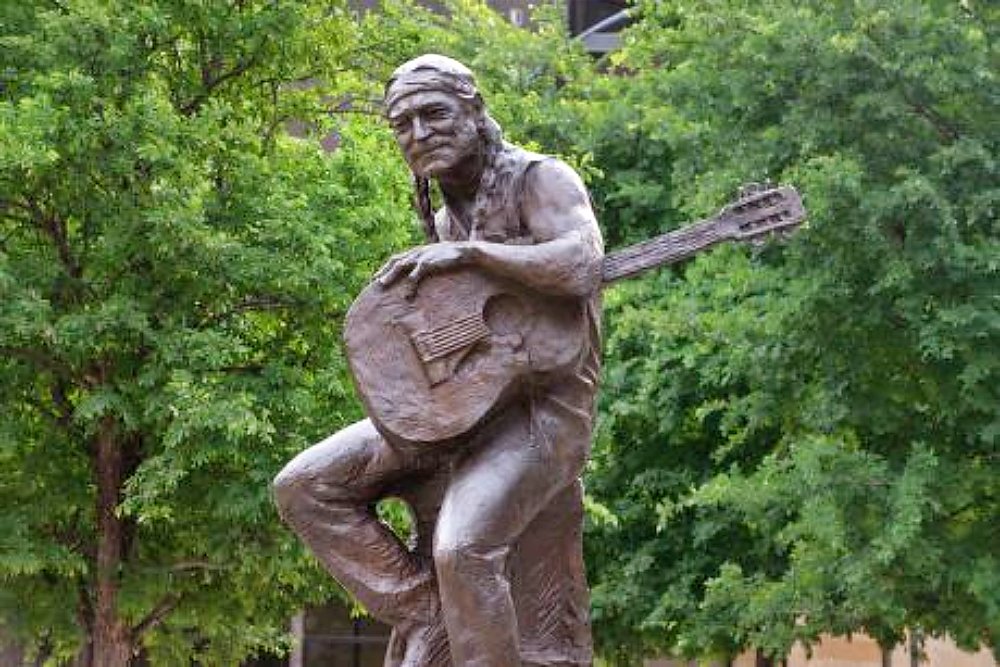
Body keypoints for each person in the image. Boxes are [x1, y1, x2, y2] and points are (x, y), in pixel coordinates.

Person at [273, 54, 603, 667]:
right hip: (461, 411)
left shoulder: (541, 180)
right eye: (403, 124)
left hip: (542, 419)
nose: (419, 134)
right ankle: (429, 611)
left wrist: (473, 257)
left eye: (434, 114)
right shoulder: (445, 209)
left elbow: (581, 262)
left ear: (475, 112)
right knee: (305, 486)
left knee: (462, 548)